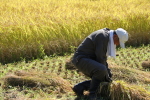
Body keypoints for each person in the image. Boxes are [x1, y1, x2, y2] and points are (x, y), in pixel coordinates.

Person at [71, 28, 128, 100]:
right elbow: (100, 58)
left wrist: (108, 75)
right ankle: (92, 94)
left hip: (88, 59)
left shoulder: (107, 37)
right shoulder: (103, 37)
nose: (118, 44)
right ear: (115, 36)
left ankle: (80, 87)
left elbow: (103, 58)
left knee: (105, 75)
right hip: (81, 60)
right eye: (119, 41)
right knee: (102, 70)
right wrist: (106, 75)